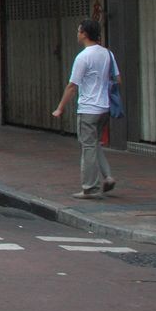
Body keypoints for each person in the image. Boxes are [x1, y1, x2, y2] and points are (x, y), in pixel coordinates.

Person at [52, 19, 119, 199]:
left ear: (84, 34)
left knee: (88, 147)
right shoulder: (108, 54)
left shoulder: (83, 57)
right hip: (104, 107)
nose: (77, 33)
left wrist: (60, 108)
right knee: (94, 143)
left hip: (88, 108)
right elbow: (117, 79)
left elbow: (72, 86)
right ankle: (108, 176)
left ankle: (90, 187)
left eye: (79, 30)